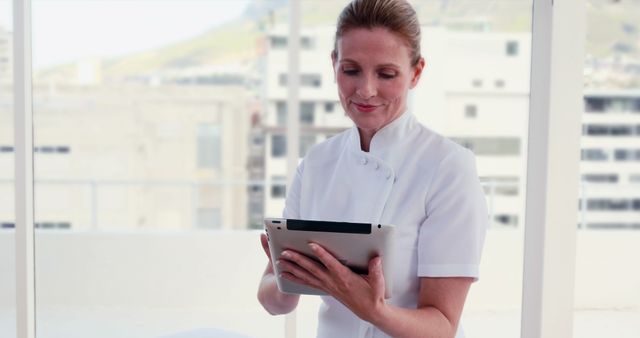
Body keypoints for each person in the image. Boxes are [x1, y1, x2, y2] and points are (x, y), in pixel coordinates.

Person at [257, 0, 488, 337]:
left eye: (386, 73)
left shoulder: (448, 167)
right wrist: (285, 277)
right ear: (334, 63)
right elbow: (273, 300)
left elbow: (442, 326)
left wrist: (372, 310)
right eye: (351, 70)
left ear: (416, 72)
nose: (365, 90)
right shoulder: (317, 164)